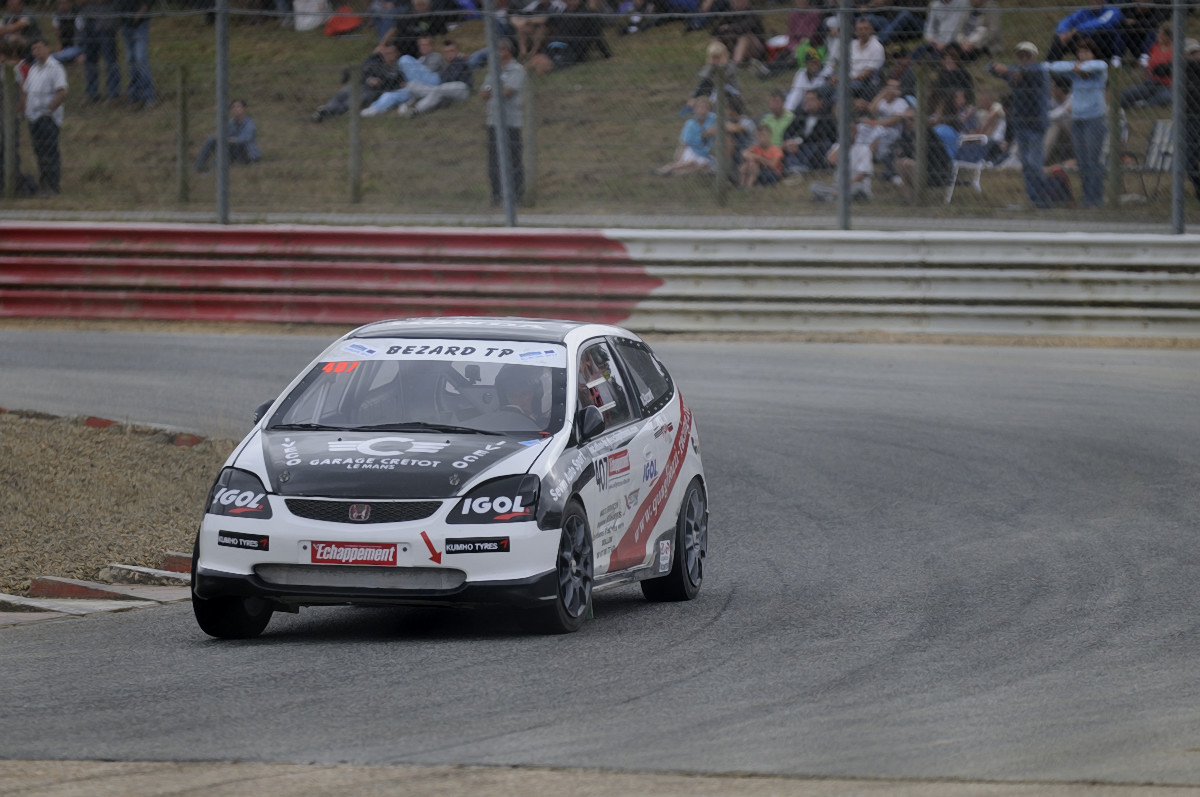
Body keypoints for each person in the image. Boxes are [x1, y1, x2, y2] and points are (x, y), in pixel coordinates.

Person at [1048, 39, 1107, 207]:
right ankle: (1087, 197)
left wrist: (1077, 67)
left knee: (1092, 160)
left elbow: (1095, 67)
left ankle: (1096, 199)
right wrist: (1075, 67)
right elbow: (1054, 66)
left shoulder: (1100, 68)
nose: (1083, 55)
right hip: (1078, 119)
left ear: (1094, 54)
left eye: (1087, 52)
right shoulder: (1074, 70)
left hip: (1094, 119)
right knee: (1082, 161)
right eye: (1080, 52)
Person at [480, 37, 525, 205]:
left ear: (506, 51)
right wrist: (495, 89)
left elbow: (507, 92)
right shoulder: (493, 70)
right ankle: (496, 194)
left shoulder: (517, 70)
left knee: (514, 160)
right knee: (494, 161)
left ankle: (517, 195)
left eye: (498, 50)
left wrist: (493, 89)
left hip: (511, 122)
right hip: (493, 122)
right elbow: (483, 94)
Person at [313, 38, 404, 121]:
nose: (389, 56)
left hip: (375, 91)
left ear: (398, 53)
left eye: (392, 53)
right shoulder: (377, 62)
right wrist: (369, 80)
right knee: (341, 94)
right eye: (386, 54)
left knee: (352, 102)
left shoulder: (400, 67)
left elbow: (397, 84)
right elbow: (363, 73)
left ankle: (328, 113)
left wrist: (381, 83)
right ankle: (326, 110)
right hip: (363, 85)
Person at [19, 37, 67, 195]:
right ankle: (43, 183)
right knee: (39, 151)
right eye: (34, 49)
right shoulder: (33, 69)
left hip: (47, 118)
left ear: (48, 48)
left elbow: (62, 92)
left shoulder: (55, 68)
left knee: (50, 151)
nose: (36, 52)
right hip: (33, 117)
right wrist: (27, 109)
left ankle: (53, 185)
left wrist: (48, 111)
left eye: (39, 48)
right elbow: (25, 91)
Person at [360, 34, 441, 116]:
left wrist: (409, 82)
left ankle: (410, 100)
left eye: (426, 45)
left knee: (404, 59)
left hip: (432, 83)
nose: (423, 47)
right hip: (416, 86)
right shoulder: (420, 59)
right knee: (390, 95)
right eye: (421, 45)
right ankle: (375, 108)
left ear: (432, 46)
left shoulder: (436, 56)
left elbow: (427, 73)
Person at [527, 0, 611, 76]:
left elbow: (597, 35)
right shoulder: (563, 12)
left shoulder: (587, 14)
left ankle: (538, 74)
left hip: (572, 50)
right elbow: (548, 21)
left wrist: (608, 55)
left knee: (545, 63)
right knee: (536, 59)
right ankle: (526, 72)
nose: (570, 2)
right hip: (556, 44)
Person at [405, 38, 474, 118]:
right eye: (446, 52)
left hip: (463, 88)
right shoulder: (448, 66)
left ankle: (416, 109)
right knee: (413, 85)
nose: (449, 54)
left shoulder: (460, 61)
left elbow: (451, 78)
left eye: (452, 51)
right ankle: (413, 104)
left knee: (439, 89)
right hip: (445, 90)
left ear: (458, 52)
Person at [811, 115, 873, 201]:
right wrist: (844, 144)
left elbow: (862, 175)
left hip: (854, 185)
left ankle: (832, 197)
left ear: (857, 132)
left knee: (857, 189)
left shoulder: (864, 149)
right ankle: (837, 196)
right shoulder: (837, 146)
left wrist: (845, 188)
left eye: (851, 129)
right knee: (815, 186)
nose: (848, 132)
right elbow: (831, 161)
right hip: (838, 186)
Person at [654, 94, 716, 176]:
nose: (702, 111)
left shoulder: (712, 119)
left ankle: (673, 173)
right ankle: (666, 169)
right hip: (690, 149)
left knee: (702, 165)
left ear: (709, 110)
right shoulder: (690, 124)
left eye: (705, 108)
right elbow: (683, 143)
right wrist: (677, 159)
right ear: (695, 110)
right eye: (699, 108)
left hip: (703, 152)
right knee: (691, 163)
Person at [1045, 0, 1122, 65]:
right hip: (1083, 39)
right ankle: (1049, 65)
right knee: (1060, 37)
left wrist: (1076, 30)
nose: (1094, 2)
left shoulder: (1113, 11)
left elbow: (1100, 23)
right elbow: (1068, 20)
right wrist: (1063, 32)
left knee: (1091, 33)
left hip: (1103, 46)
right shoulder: (1085, 11)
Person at [195, 98, 261, 172]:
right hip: (233, 151)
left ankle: (214, 169)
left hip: (247, 154)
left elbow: (245, 139)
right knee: (211, 140)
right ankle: (199, 166)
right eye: (233, 107)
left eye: (238, 106)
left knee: (227, 144)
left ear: (244, 109)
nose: (235, 109)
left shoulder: (250, 124)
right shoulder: (231, 123)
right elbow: (224, 135)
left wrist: (230, 140)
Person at [782, 88, 836, 173]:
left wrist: (798, 141)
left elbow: (819, 136)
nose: (808, 103)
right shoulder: (801, 114)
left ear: (820, 101)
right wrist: (789, 141)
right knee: (786, 147)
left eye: (811, 100)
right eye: (806, 100)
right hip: (802, 145)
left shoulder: (826, 116)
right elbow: (788, 131)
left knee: (816, 147)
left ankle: (803, 167)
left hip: (818, 145)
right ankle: (794, 167)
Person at [77, 0, 120, 103]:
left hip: (105, 21)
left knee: (109, 59)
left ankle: (113, 94)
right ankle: (92, 94)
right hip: (87, 22)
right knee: (90, 60)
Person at [1120, 23, 1171, 109]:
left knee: (1165, 97)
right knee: (1126, 94)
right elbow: (1149, 64)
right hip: (1151, 82)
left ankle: (1145, 104)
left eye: (1160, 33)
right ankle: (1124, 107)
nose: (1157, 35)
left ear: (1168, 36)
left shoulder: (1176, 49)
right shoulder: (1155, 46)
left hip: (1168, 85)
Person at [117, 0, 155, 109]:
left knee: (140, 58)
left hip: (140, 23)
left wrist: (139, 14)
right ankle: (134, 95)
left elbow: (149, 3)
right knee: (130, 60)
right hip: (125, 23)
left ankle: (149, 96)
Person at [710, 0, 765, 70]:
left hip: (755, 48)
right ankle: (711, 68)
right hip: (733, 45)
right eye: (735, 1)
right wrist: (727, 30)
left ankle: (734, 67)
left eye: (740, 1)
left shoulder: (753, 13)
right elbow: (714, 30)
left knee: (745, 37)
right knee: (716, 40)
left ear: (747, 2)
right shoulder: (729, 13)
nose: (737, 3)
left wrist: (728, 28)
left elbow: (744, 27)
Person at [1181, 37, 1200, 199]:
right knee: (1189, 163)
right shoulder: (1183, 75)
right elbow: (1158, 70)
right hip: (1190, 121)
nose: (1195, 56)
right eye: (1191, 53)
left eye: (1196, 52)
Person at [784, 48, 826, 114]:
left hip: (820, 105)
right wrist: (788, 110)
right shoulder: (801, 73)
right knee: (785, 95)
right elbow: (796, 92)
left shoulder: (827, 72)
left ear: (820, 62)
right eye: (811, 62)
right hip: (803, 102)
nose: (814, 65)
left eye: (816, 62)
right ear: (806, 63)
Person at [51, 0, 84, 65]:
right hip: (65, 47)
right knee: (62, 56)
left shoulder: (77, 13)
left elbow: (84, 35)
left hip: (77, 46)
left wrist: (84, 54)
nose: (62, 6)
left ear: (70, 3)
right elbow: (58, 36)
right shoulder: (57, 14)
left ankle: (50, 59)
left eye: (64, 3)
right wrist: (59, 51)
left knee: (63, 56)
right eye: (59, 3)